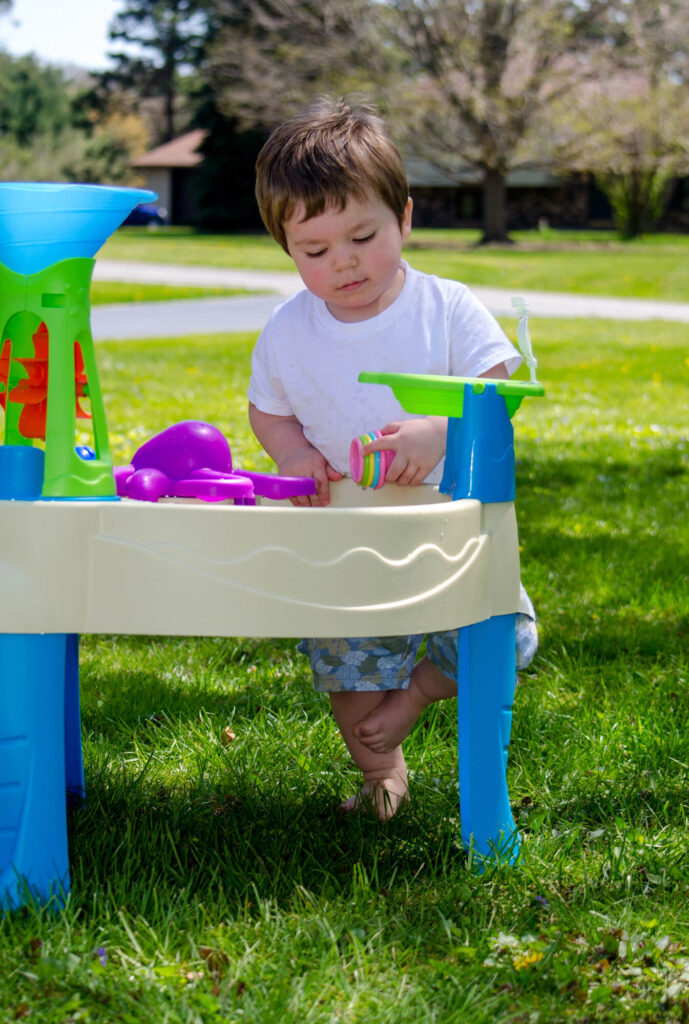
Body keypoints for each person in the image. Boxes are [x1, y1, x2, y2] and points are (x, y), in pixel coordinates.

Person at [248, 98, 537, 818]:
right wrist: (291, 453)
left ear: (404, 218)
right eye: (314, 251)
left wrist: (438, 433)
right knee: (347, 673)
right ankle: (382, 777)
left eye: (363, 236)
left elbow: (498, 387)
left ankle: (415, 695)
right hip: (348, 538)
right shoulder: (287, 331)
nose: (343, 262)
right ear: (287, 250)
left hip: (449, 534)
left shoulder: (444, 306)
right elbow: (268, 408)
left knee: (505, 641)